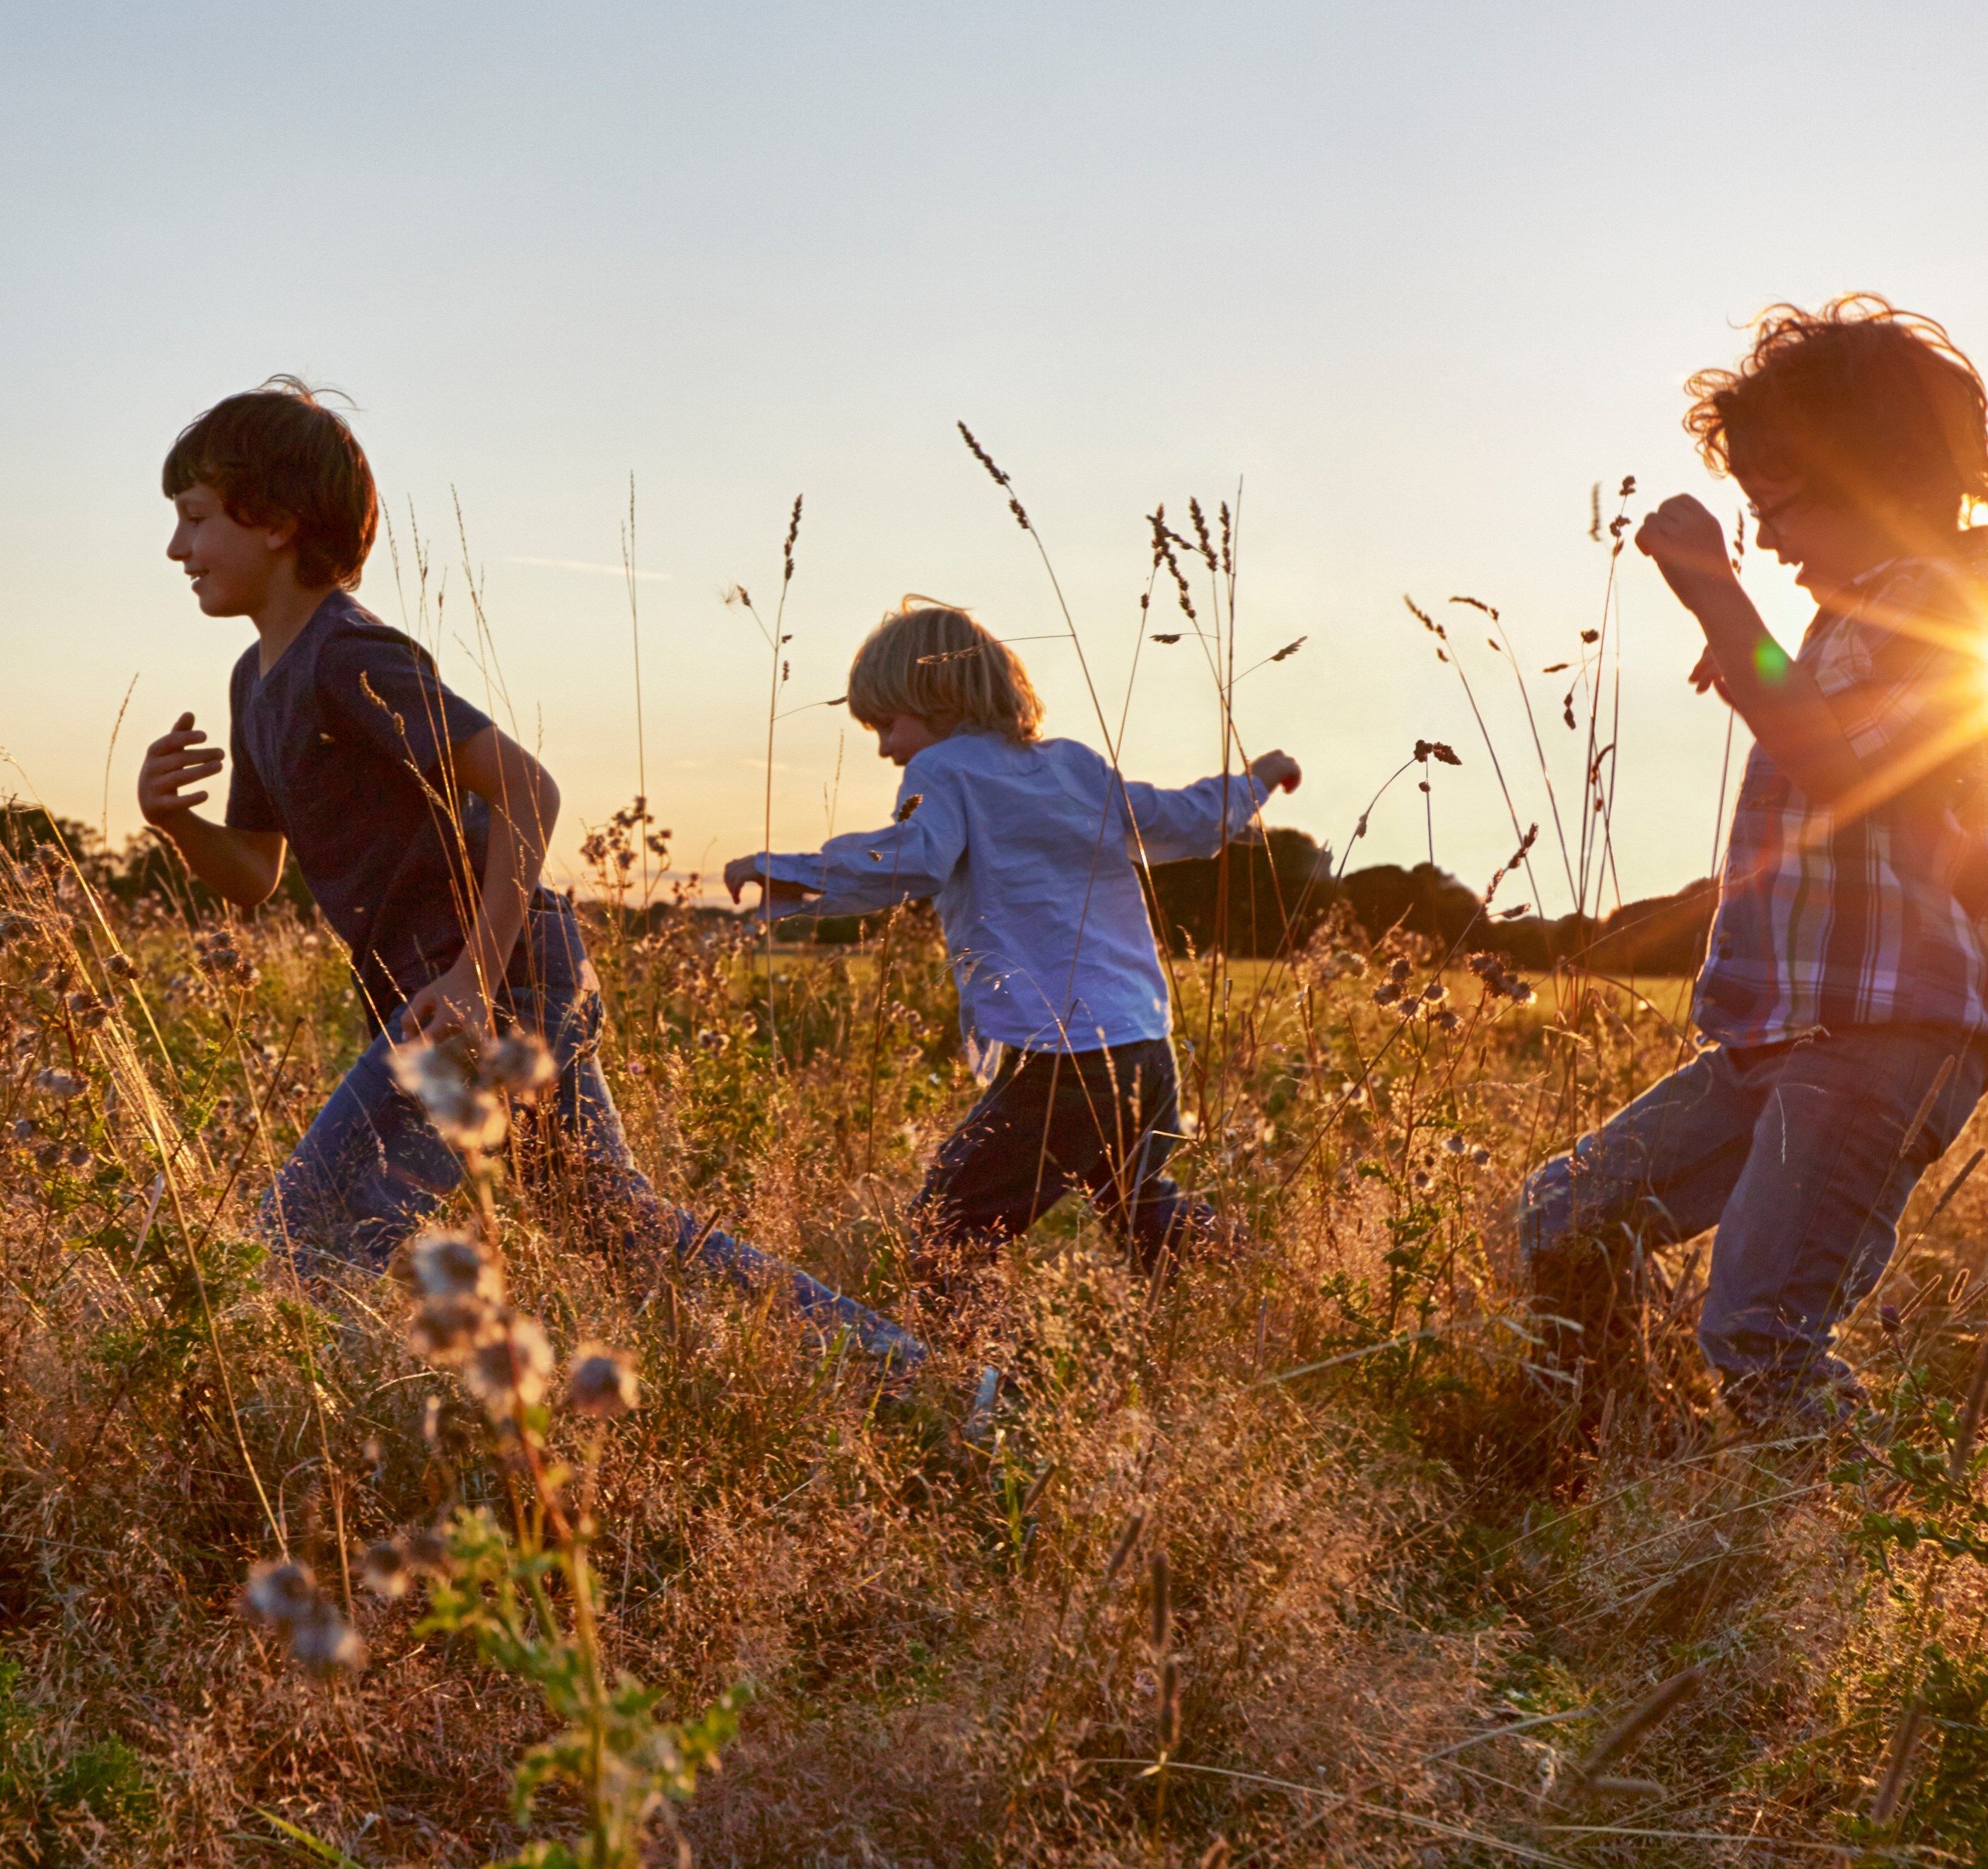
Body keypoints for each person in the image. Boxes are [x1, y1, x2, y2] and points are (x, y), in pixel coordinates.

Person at [133, 380, 918, 1366]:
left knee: (303, 1243)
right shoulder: (258, 680)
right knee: (625, 1229)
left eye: (195, 519)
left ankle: (302, 1476)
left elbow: (527, 790)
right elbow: (251, 872)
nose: (176, 550)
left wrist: (469, 973)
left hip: (487, 985)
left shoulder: (350, 656)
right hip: (471, 987)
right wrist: (172, 822)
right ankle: (916, 1377)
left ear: (279, 520)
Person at [1515, 297, 1988, 1433]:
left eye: (1780, 503)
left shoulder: (1943, 604)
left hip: (1883, 1029)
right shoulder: (1848, 622)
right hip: (1784, 1026)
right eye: (1749, 514)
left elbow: (1839, 769)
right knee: (1559, 1218)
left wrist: (1713, 589)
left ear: (1874, 474)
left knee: (1760, 1325)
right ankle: (1610, 1440)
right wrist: (1741, 643)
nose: (1769, 538)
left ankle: (1817, 1539)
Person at [723, 602, 1297, 1338]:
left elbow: (912, 860)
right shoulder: (1076, 768)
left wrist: (786, 871)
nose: (885, 749)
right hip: (1143, 1045)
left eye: (887, 724)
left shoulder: (945, 769)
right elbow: (1185, 820)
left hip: (1060, 1059)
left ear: (938, 700)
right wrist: (1254, 781)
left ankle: (977, 1381)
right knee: (1142, 1203)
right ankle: (1254, 1295)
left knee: (949, 1227)